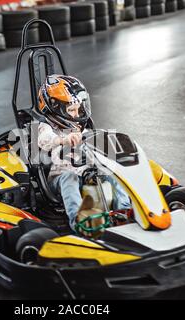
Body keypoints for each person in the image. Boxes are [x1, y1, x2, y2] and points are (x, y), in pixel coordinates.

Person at [36, 74, 130, 231]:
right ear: (56, 108)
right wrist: (63, 140)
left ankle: (124, 211)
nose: (77, 114)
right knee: (69, 178)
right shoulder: (47, 127)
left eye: (78, 109)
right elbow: (44, 140)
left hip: (86, 172)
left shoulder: (80, 126)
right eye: (71, 110)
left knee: (112, 172)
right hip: (59, 179)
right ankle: (79, 222)